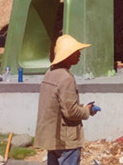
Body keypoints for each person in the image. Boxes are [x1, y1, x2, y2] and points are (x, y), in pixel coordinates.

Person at [34, 34, 99, 165]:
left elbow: (58, 106)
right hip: (66, 140)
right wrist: (87, 110)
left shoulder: (50, 73)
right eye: (76, 51)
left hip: (52, 138)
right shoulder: (66, 78)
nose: (79, 54)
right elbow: (71, 112)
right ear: (67, 55)